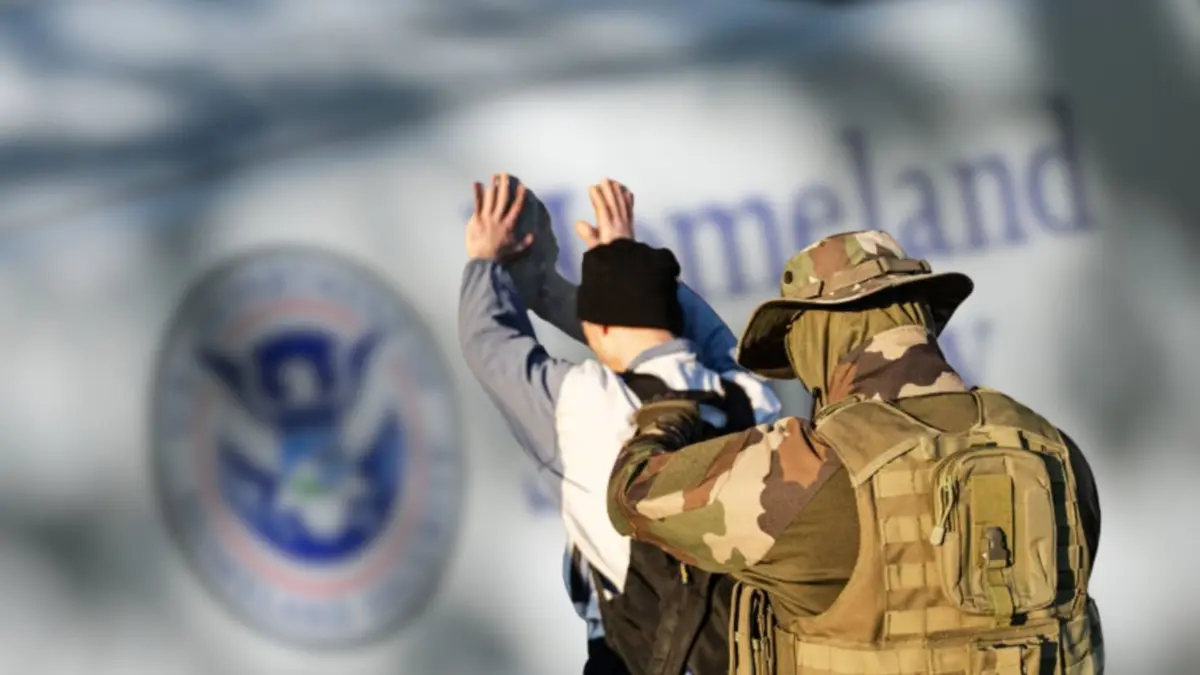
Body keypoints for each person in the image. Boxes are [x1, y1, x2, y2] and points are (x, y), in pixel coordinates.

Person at [608, 230, 1104, 675]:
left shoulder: (809, 467)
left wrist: (666, 409)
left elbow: (632, 495)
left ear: (816, 336)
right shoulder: (1054, 452)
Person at [458, 173, 783, 675]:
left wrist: (487, 262)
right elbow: (708, 336)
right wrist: (628, 266)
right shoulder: (751, 400)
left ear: (598, 330)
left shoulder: (589, 407)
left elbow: (489, 344)